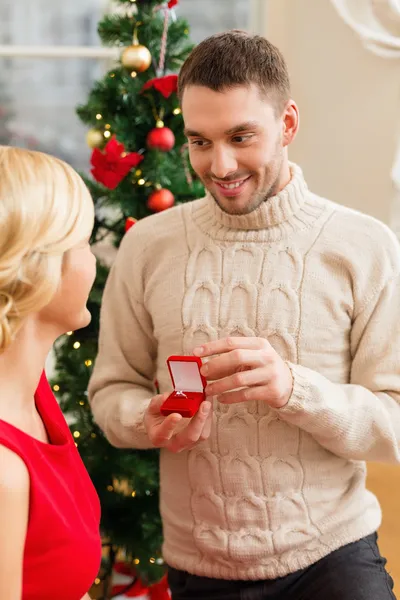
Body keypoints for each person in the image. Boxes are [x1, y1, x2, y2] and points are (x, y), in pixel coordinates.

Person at [88, 30, 400, 600]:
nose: (220, 164)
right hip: (198, 568)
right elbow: (111, 393)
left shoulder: (365, 246)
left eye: (240, 136)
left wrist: (293, 389)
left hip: (332, 558)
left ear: (288, 124)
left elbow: (395, 423)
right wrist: (147, 419)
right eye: (199, 141)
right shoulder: (149, 246)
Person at [0, 146, 101, 600]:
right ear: (39, 269)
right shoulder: (4, 471)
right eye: (83, 242)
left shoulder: (31, 390)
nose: (93, 260)